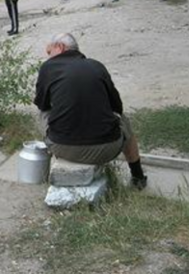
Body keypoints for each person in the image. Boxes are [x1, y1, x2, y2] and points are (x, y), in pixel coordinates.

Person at [34, 33, 148, 190]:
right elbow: (117, 108)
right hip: (108, 149)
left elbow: (42, 104)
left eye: (49, 52)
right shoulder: (97, 66)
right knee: (124, 119)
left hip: (63, 148)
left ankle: (47, 168)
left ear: (60, 47)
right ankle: (138, 176)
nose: (48, 57)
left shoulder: (48, 67)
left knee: (42, 112)